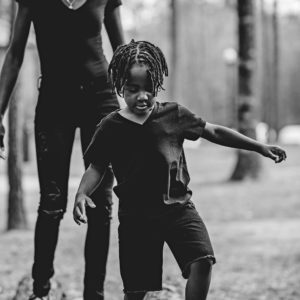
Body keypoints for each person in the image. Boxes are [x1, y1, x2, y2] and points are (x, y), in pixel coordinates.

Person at [73, 40, 287, 300]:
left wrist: (259, 147)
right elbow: (96, 166)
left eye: (148, 89)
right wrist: (82, 193)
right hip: (136, 218)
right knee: (136, 290)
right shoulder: (110, 127)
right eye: (133, 89)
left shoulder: (173, 115)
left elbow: (214, 131)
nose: (142, 96)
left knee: (203, 260)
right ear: (120, 87)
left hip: (178, 208)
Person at [0, 0, 125, 299]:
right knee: (52, 201)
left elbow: (123, 50)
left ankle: (93, 294)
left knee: (101, 203)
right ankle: (40, 290)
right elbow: (15, 53)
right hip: (55, 103)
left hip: (101, 101)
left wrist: (139, 103)